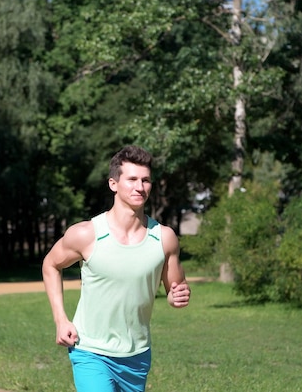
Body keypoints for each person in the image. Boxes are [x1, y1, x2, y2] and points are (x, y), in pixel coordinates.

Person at [42, 145, 191, 392]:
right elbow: (50, 264)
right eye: (132, 179)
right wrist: (60, 319)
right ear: (114, 184)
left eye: (145, 180)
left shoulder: (164, 238)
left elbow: (176, 289)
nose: (140, 187)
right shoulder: (86, 234)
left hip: (137, 355)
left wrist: (179, 296)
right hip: (90, 350)